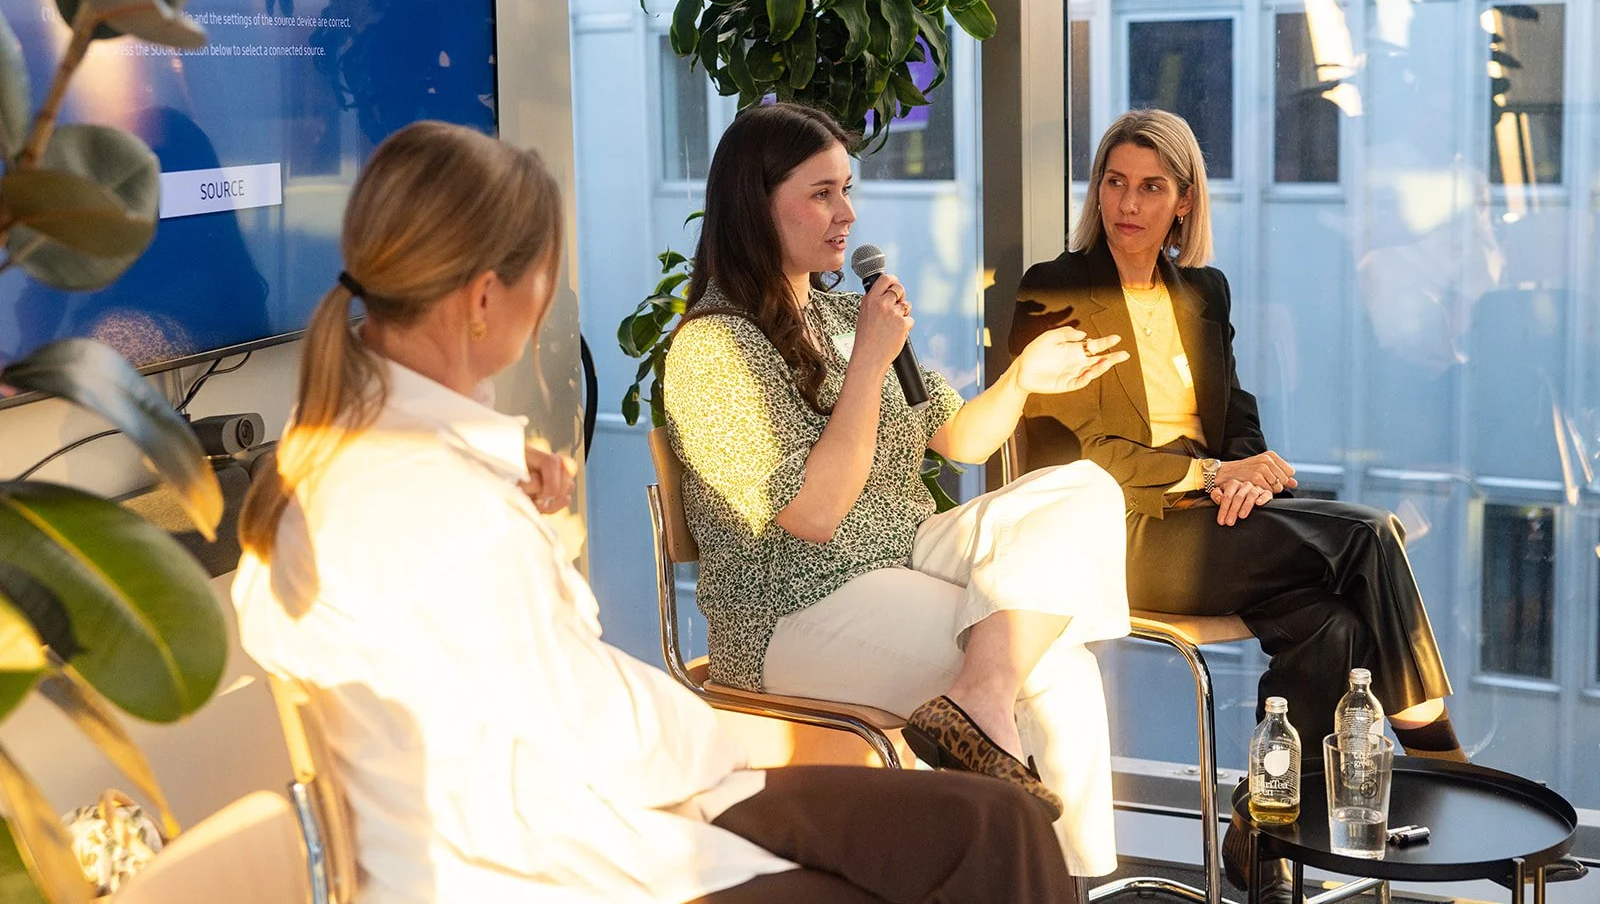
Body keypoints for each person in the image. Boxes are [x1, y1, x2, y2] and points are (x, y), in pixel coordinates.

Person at [232, 121, 1078, 903]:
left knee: (993, 820)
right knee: (987, 842)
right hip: (578, 846)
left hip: (613, 798)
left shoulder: (349, 464)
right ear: (485, 299)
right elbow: (600, 730)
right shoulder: (448, 506)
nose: (549, 307)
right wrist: (752, 739)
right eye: (545, 280)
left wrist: (493, 472)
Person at [662, 102, 1133, 878]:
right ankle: (1049, 881)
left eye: (847, 189)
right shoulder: (713, 349)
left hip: (904, 549)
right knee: (1056, 669)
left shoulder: (847, 313)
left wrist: (1023, 380)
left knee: (1084, 489)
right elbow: (814, 514)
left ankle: (989, 728)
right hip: (791, 605)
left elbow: (964, 439)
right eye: (821, 193)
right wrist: (869, 366)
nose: (846, 213)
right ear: (757, 202)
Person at [1009, 109, 1465, 896]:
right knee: (1368, 536)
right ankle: (1443, 761)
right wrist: (1209, 476)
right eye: (1115, 182)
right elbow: (1087, 455)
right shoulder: (1057, 289)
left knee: (1338, 623)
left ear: (1184, 201)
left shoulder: (1203, 293)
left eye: (1152, 187)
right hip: (1113, 535)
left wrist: (1246, 471)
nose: (1129, 202)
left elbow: (1235, 416)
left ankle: (1263, 840)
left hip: (1210, 522)